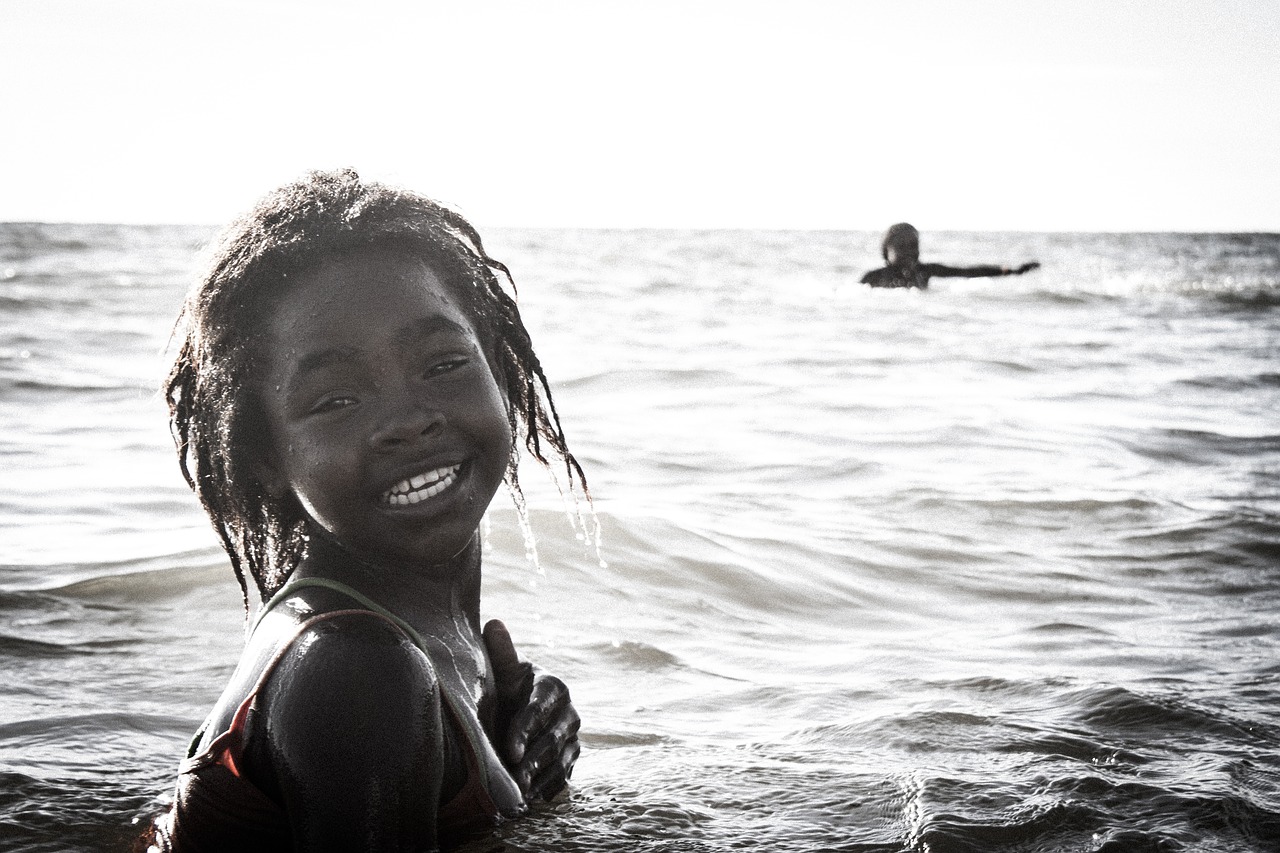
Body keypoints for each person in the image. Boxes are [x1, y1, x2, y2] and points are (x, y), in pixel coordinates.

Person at [147, 169, 587, 852]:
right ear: (264, 454)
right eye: (337, 399)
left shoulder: (434, 640)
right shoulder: (357, 669)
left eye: (442, 363)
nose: (408, 422)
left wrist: (518, 772)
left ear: (499, 367)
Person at [859, 222, 1040, 289]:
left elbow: (967, 273)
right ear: (885, 251)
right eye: (902, 247)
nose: (909, 252)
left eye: (913, 246)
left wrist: (1010, 271)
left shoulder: (926, 271)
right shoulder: (873, 278)